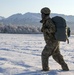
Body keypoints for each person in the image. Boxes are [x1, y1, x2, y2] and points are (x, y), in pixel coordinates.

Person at [40, 7, 69, 71]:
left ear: (45, 14)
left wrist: (45, 29)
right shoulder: (46, 21)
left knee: (44, 54)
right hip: (54, 41)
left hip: (52, 41)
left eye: (42, 14)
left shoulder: (48, 21)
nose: (41, 15)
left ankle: (45, 69)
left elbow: (53, 29)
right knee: (56, 55)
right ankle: (65, 67)